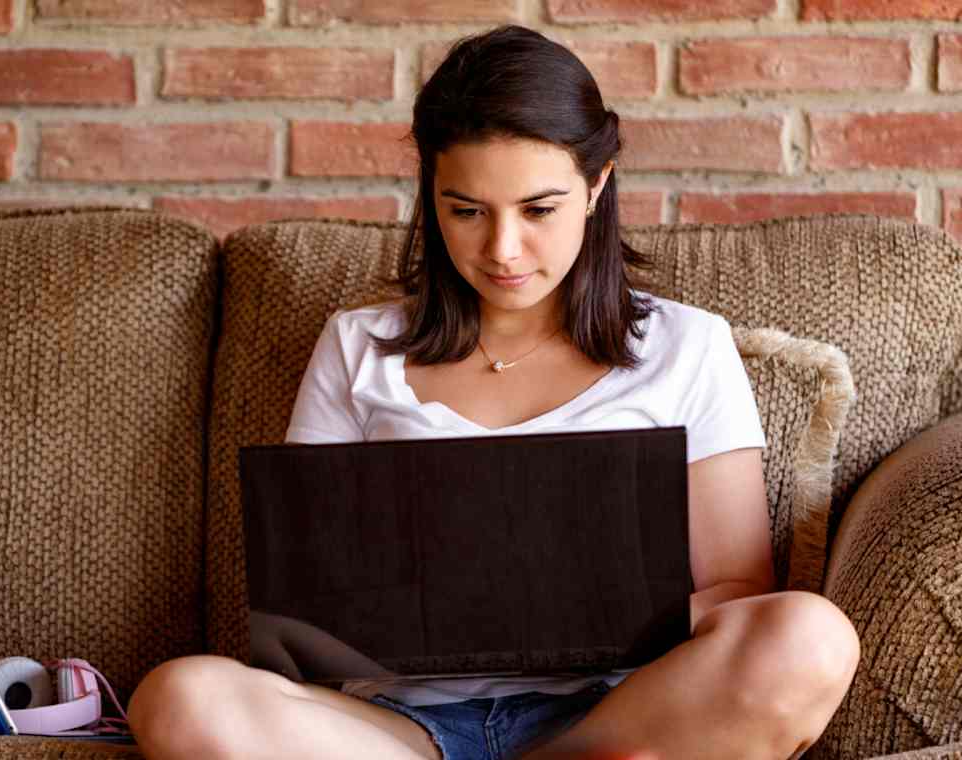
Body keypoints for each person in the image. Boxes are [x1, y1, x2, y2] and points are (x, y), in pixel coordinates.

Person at [127, 25, 860, 760]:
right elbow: (306, 612)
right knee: (181, 697)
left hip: (615, 716)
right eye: (466, 211)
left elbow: (739, 591)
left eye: (538, 210)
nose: (502, 250)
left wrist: (576, 615)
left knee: (810, 637)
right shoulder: (357, 347)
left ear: (597, 185)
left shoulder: (688, 347)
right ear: (431, 195)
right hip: (398, 731)